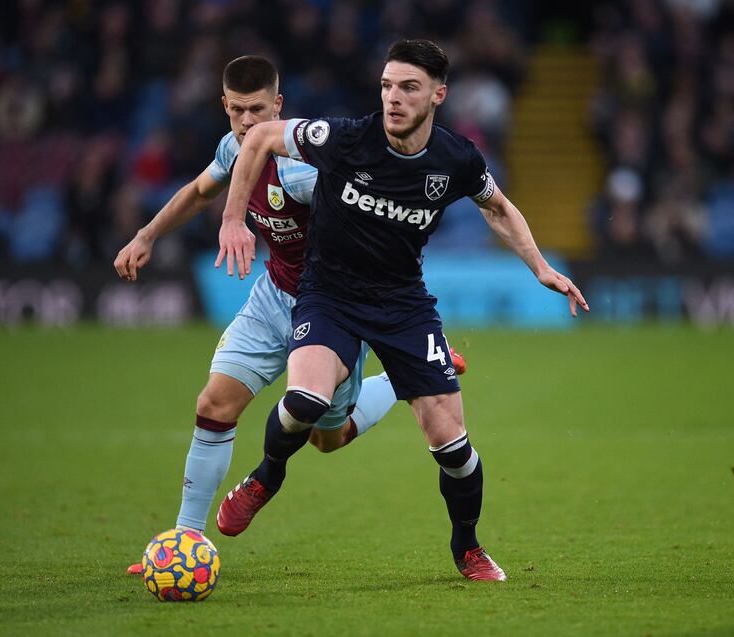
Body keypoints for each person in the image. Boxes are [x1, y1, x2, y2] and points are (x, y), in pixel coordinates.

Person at [215, 40, 589, 582]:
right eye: (387, 86)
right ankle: (265, 477)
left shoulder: (456, 158)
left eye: (408, 88)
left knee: (453, 446)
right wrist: (231, 217)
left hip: (403, 305)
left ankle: (468, 548)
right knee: (306, 400)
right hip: (329, 295)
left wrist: (540, 268)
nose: (393, 98)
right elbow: (260, 140)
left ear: (438, 94)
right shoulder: (344, 138)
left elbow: (498, 207)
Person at [113, 55, 466, 573]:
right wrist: (147, 234)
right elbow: (198, 190)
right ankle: (183, 542)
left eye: (257, 110)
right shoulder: (233, 148)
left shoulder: (303, 170)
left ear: (278, 105)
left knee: (328, 437)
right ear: (225, 107)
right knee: (214, 403)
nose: (247, 123)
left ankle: (401, 379)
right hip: (273, 296)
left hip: (331, 309)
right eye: (236, 111)